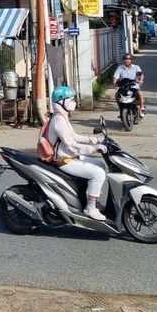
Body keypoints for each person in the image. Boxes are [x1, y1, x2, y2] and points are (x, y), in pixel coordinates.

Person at [42, 85, 108, 221]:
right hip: (64, 160)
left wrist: (95, 140)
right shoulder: (58, 121)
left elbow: (74, 136)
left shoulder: (62, 117)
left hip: (69, 156)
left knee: (101, 165)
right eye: (70, 99)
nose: (73, 102)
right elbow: (71, 146)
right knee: (98, 173)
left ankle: (90, 198)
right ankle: (90, 208)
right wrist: (94, 149)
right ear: (61, 102)